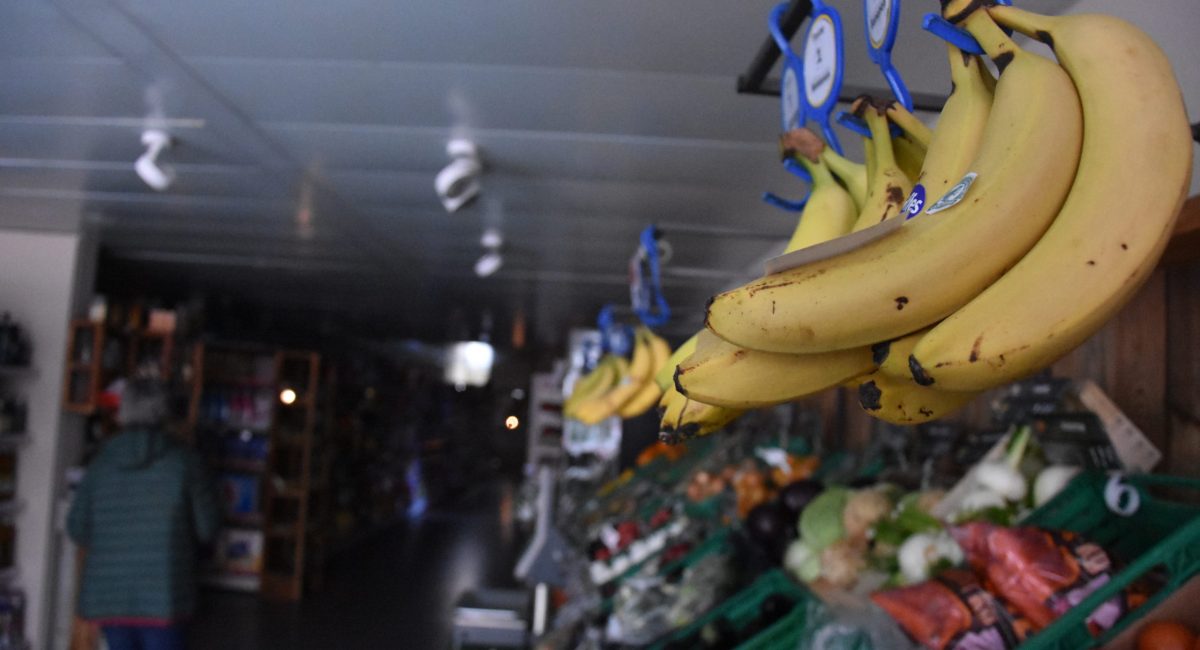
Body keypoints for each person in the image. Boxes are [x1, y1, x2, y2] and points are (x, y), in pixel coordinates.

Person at [67, 379, 220, 650]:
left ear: (123, 411)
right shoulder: (185, 464)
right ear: (165, 411)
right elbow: (207, 528)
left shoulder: (100, 464)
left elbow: (76, 527)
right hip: (165, 593)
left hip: (110, 595)